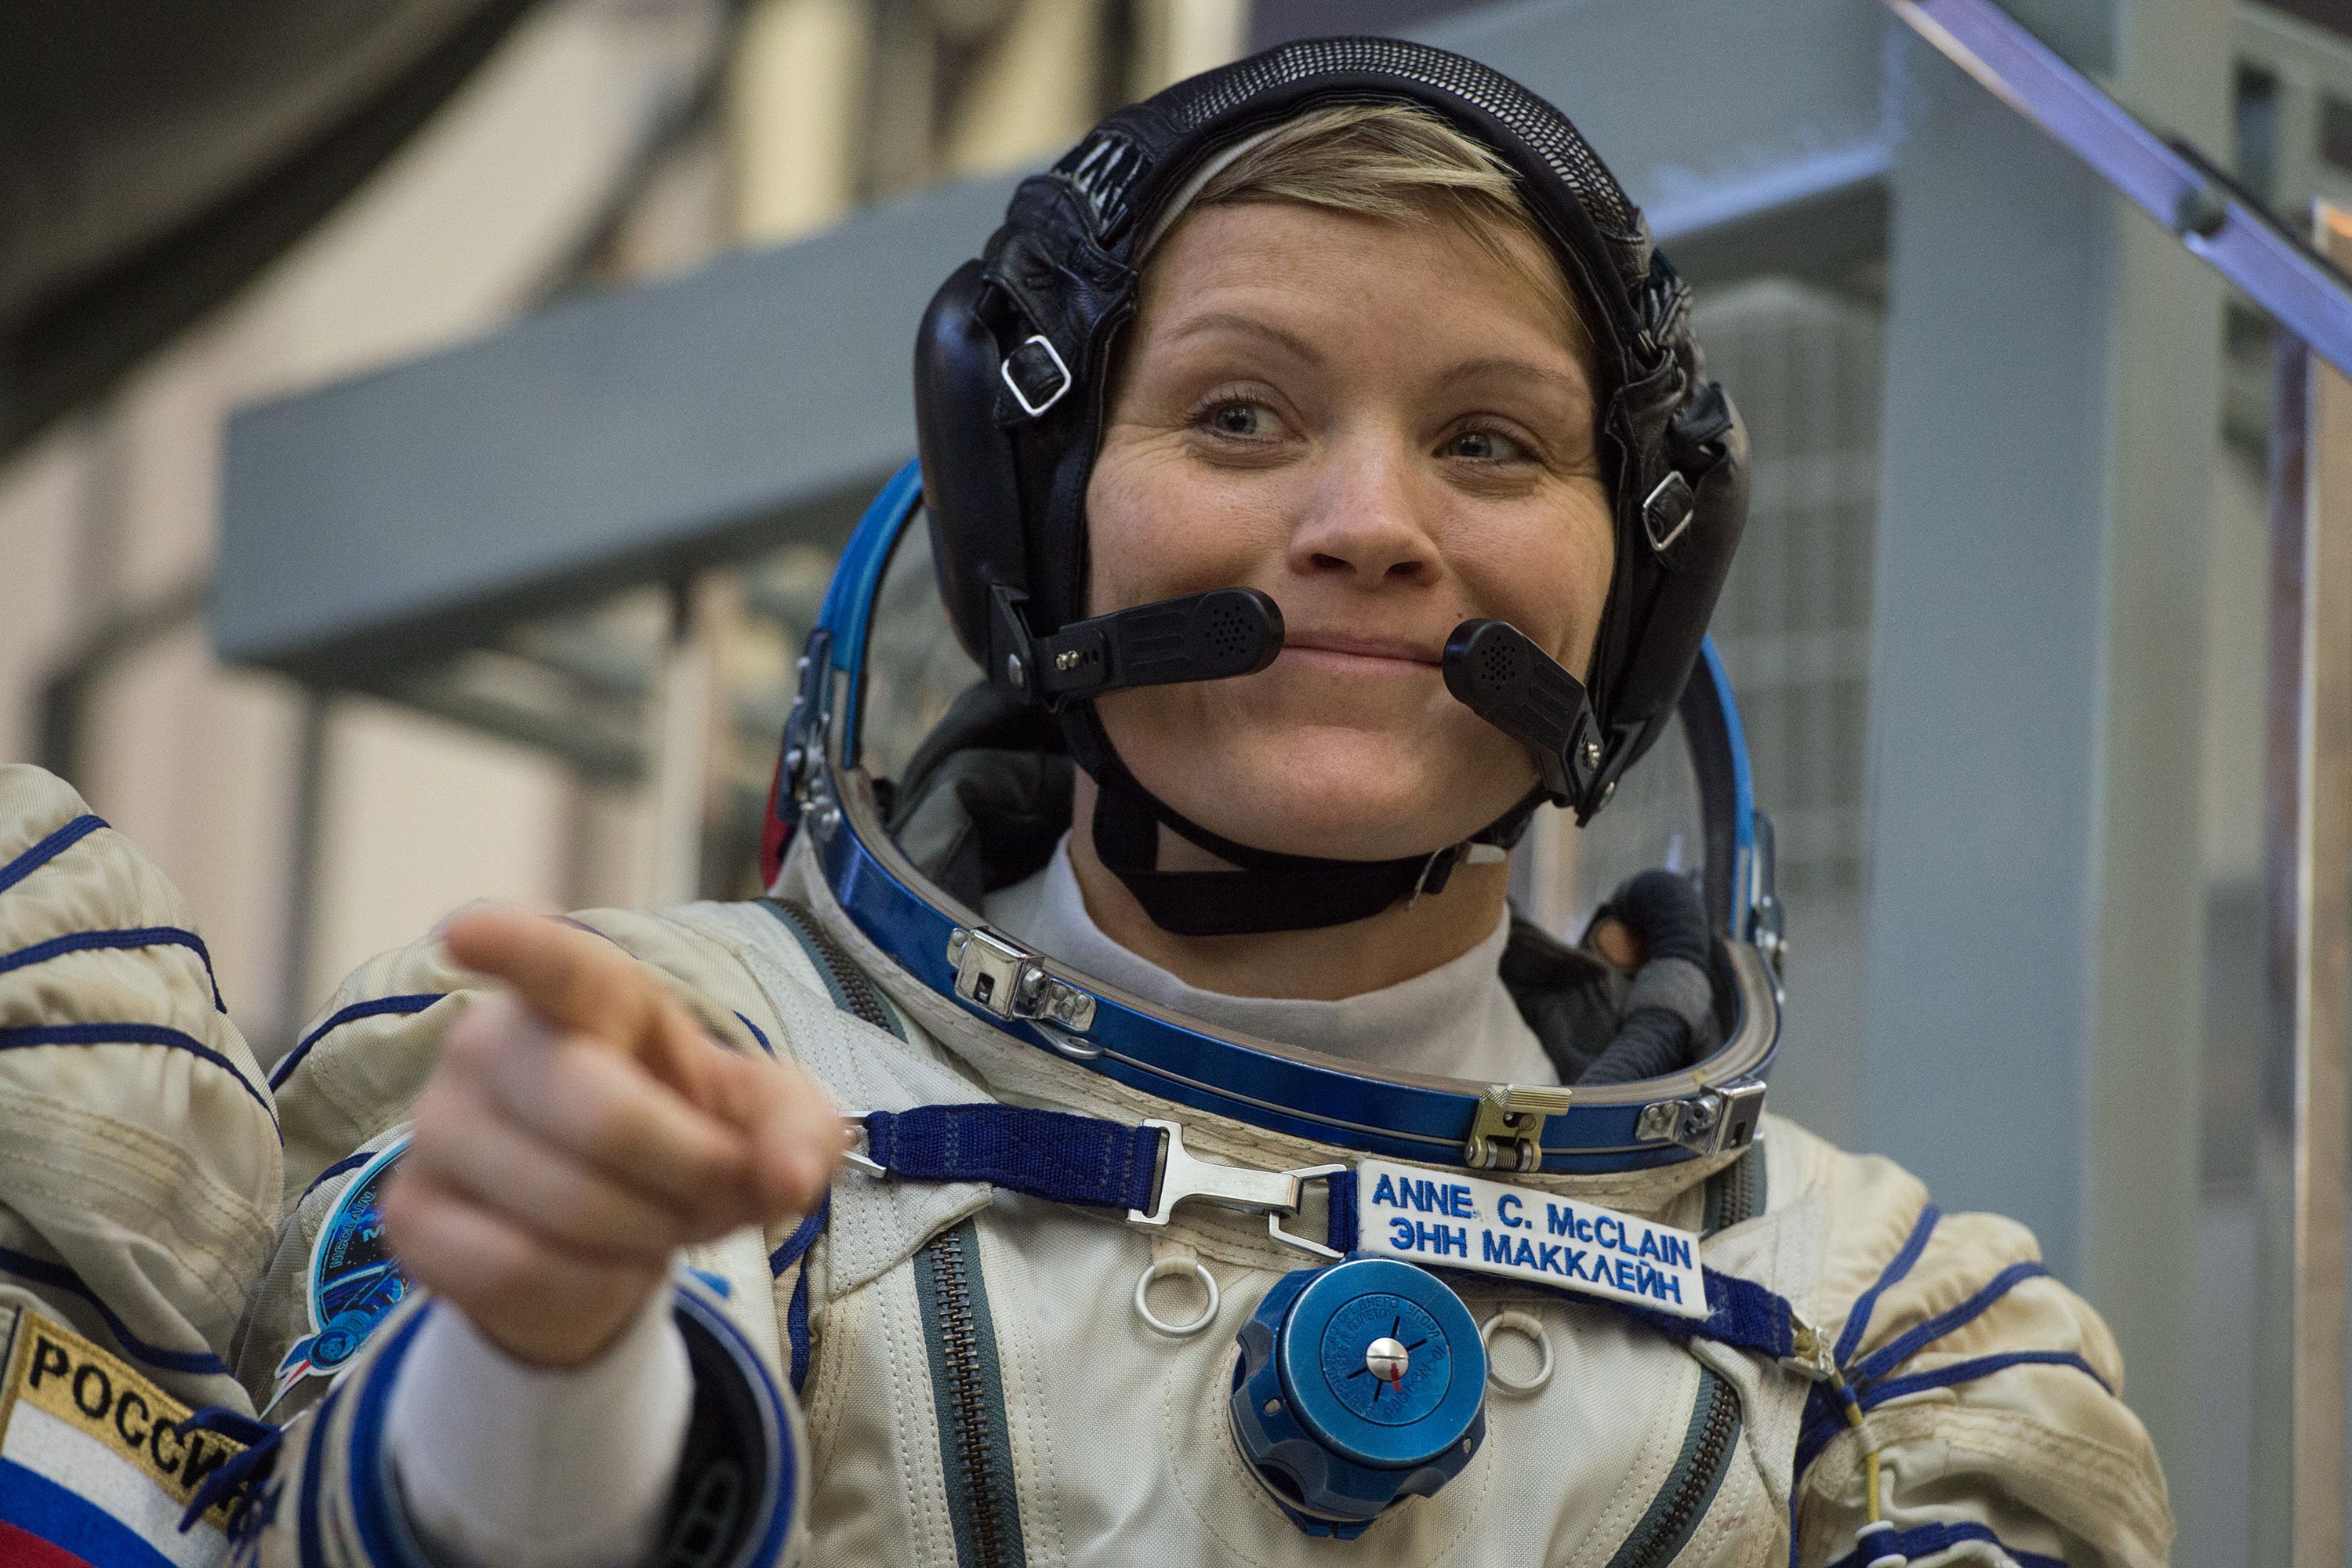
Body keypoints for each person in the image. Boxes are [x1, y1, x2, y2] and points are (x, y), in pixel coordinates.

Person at [0, 37, 2170, 1568]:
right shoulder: (657, 1066)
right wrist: (551, 1337)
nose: (1367, 525)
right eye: (1239, 414)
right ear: (1035, 515)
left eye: (1495, 446)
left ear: (1644, 580)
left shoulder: (1884, 1325)